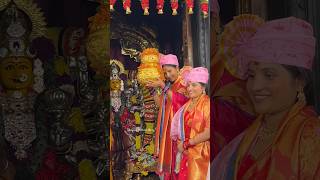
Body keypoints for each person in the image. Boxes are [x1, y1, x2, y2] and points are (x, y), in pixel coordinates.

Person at [212, 15, 320, 179]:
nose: (255, 87)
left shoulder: (311, 137)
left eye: (269, 75)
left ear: (299, 82)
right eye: (252, 75)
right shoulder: (247, 137)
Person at [146, 54, 188, 179]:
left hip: (179, 131)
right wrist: (153, 92)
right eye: (165, 73)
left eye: (170, 71)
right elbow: (161, 105)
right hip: (167, 129)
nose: (168, 75)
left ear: (177, 67)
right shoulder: (169, 85)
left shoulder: (184, 83)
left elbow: (180, 101)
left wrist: (162, 86)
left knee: (178, 162)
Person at [171, 67, 210, 180]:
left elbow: (208, 132)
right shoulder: (187, 105)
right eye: (188, 85)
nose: (189, 88)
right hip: (186, 153)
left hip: (201, 154)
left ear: (203, 87)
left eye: (194, 85)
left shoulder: (207, 104)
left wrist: (188, 143)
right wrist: (182, 144)